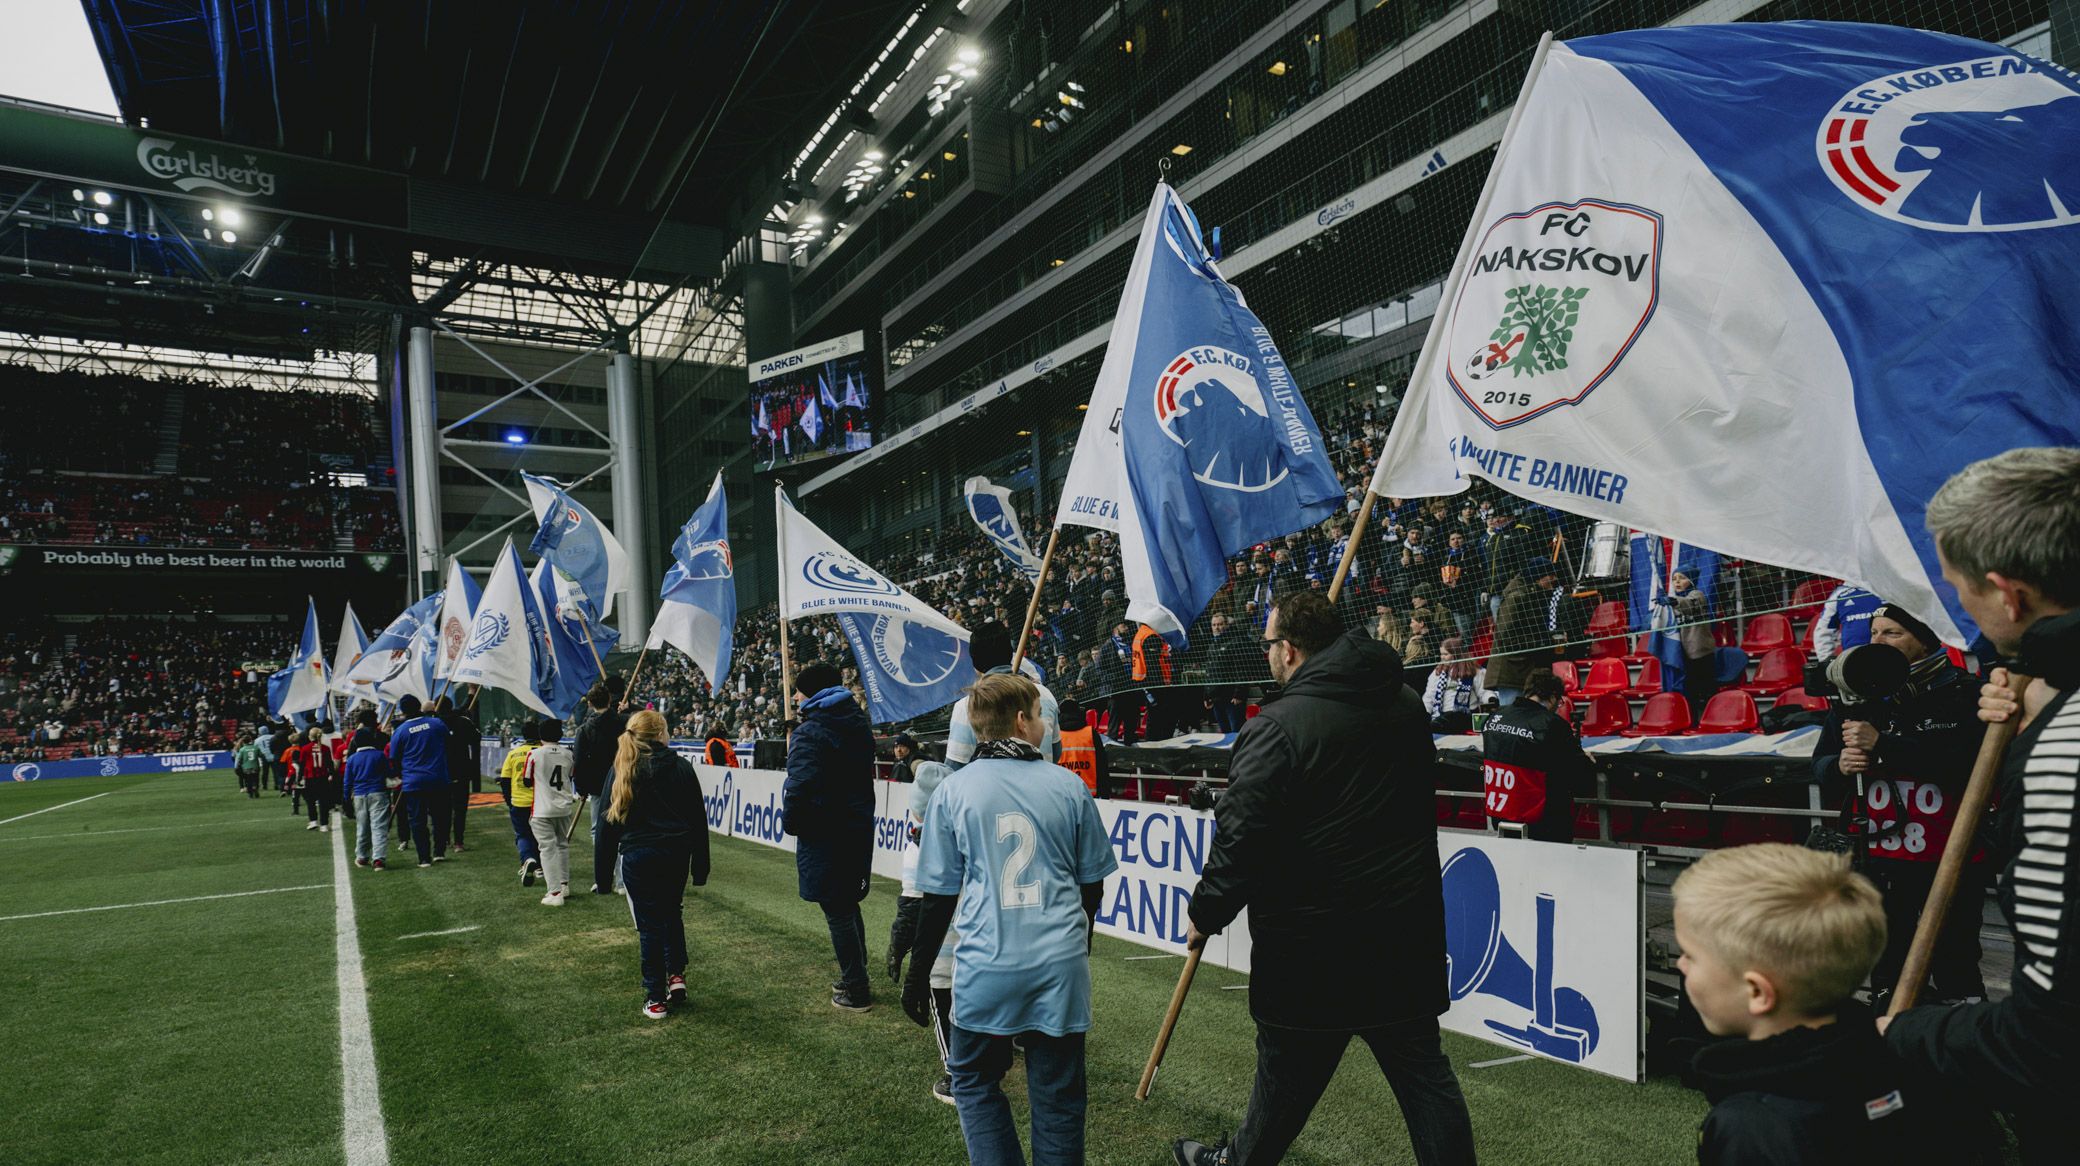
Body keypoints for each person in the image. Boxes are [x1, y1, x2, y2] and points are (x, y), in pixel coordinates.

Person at [1174, 591, 1474, 1166]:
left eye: (1268, 644)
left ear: (1288, 651)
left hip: (1312, 949)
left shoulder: (1278, 727)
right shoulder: (1407, 704)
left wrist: (1205, 912)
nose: (1266, 654)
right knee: (1425, 1080)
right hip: (1401, 935)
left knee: (1285, 1079)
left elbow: (1242, 840)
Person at [1884, 447, 2080, 1161]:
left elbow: (2055, 1040)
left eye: (1956, 588)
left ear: (2008, 595)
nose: (1956, 604)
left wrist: (1905, 1035)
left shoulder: (2067, 753)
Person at [902, 673, 1119, 1163]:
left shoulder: (953, 792)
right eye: (1040, 715)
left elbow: (936, 898)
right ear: (1022, 721)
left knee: (974, 1080)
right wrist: (1075, 949)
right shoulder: (1067, 785)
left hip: (986, 965)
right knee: (1059, 1098)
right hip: (1058, 966)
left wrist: (918, 974)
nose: (1044, 724)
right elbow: (1093, 885)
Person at [1675, 843, 1987, 1164]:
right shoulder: (1908, 1067)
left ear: (1757, 992)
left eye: (1690, 955)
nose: (1680, 965)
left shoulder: (1748, 1127)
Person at [1811, 604, 1985, 1006]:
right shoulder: (1854, 694)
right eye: (1874, 633)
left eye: (1893, 634)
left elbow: (1968, 766)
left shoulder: (1964, 692)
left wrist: (1885, 746)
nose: (1878, 642)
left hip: (1950, 855)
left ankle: (1964, 1052)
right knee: (1887, 959)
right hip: (1879, 856)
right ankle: (1891, 1046)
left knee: (1955, 956)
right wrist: (1837, 765)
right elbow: (1818, 767)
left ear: (1925, 641)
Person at [784, 661, 878, 1012]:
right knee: (846, 904)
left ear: (813, 692)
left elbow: (800, 786)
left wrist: (792, 822)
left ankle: (856, 986)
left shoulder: (812, 733)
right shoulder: (854, 722)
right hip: (854, 827)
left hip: (825, 831)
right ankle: (858, 975)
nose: (794, 696)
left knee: (836, 908)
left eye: (798, 690)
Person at [607, 709, 710, 1020]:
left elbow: (610, 821)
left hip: (640, 856)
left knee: (650, 925)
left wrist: (602, 872)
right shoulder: (679, 767)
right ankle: (675, 975)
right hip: (675, 853)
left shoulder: (625, 767)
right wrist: (700, 865)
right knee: (670, 913)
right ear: (661, 734)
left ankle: (655, 996)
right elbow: (697, 820)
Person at [887, 750, 957, 1104]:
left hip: (941, 951)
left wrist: (898, 950)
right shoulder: (967, 834)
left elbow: (910, 910)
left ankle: (955, 1077)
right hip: (980, 944)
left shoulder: (918, 849)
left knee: (943, 1005)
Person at [1478, 669, 1592, 843]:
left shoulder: (1495, 717)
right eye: (1559, 701)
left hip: (1500, 820)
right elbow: (1579, 776)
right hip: (1544, 827)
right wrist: (1586, 760)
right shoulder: (1552, 725)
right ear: (1553, 697)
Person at [948, 622, 1060, 769]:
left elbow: (955, 768)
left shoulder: (969, 705)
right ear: (1009, 652)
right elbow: (1056, 752)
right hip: (1046, 788)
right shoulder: (1044, 694)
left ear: (975, 663)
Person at [573, 680, 627, 895]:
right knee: (623, 829)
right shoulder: (623, 723)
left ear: (591, 704)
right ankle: (622, 881)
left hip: (597, 786)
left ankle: (604, 877)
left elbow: (579, 761)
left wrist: (581, 787)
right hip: (622, 781)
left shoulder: (585, 729)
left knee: (599, 832)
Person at [387, 694, 452, 869]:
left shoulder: (399, 732)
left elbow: (394, 758)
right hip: (438, 778)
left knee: (417, 820)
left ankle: (424, 858)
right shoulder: (436, 724)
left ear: (402, 711)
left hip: (413, 782)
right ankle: (439, 851)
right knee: (440, 817)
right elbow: (448, 743)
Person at [1487, 559, 1562, 706]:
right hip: (1512, 671)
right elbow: (1506, 637)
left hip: (1525, 669)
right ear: (1539, 576)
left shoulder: (1535, 595)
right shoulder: (1517, 597)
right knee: (1512, 720)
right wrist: (1541, 643)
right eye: (1550, 575)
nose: (1554, 579)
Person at [526, 718, 579, 907]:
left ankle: (554, 892)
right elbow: (572, 775)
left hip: (542, 809)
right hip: (563, 807)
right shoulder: (568, 754)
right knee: (562, 845)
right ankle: (564, 885)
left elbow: (526, 780)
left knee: (547, 849)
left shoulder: (534, 754)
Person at [1666, 566, 1719, 718]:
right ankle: (1693, 720)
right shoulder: (1674, 603)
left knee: (1706, 689)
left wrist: (1672, 601)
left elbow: (1689, 604)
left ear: (1691, 580)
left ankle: (1712, 718)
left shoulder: (1697, 595)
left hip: (1701, 653)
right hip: (1684, 654)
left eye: (1681, 578)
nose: (1677, 582)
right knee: (1690, 692)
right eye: (1674, 579)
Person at [499, 719, 544, 885]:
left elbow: (505, 781)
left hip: (519, 802)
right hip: (540, 801)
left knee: (523, 834)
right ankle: (539, 866)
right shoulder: (543, 751)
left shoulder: (513, 753)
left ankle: (528, 859)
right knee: (542, 835)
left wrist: (509, 802)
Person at [343, 724, 392, 870]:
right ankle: (378, 858)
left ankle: (362, 856)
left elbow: (347, 781)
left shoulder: (352, 759)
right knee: (379, 826)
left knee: (363, 827)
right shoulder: (380, 755)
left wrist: (346, 798)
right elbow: (389, 772)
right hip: (378, 792)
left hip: (359, 794)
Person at [436, 694, 480, 852]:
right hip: (462, 769)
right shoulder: (462, 721)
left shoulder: (435, 723)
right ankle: (458, 842)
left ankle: (445, 838)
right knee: (460, 808)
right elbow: (476, 738)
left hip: (441, 771)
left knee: (443, 807)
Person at [1421, 637, 1485, 730]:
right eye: (1441, 654)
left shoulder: (1474, 671)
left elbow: (1483, 692)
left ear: (1457, 654)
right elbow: (1429, 696)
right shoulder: (1438, 673)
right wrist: (1425, 713)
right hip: (1443, 715)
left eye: (1446, 654)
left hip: (1467, 715)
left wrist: (1490, 699)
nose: (1442, 657)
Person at [1056, 697, 1109, 796]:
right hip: (1089, 794)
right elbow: (1102, 765)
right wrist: (1105, 793)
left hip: (1063, 794)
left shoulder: (1055, 736)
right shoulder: (1091, 733)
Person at [301, 726, 340, 833]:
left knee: (311, 801)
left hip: (310, 778)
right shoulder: (325, 748)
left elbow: (302, 764)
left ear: (310, 736)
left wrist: (299, 777)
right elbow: (329, 763)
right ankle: (324, 824)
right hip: (323, 778)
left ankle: (313, 821)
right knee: (324, 802)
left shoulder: (305, 748)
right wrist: (332, 774)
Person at [233, 731, 264, 798]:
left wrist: (238, 766)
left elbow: (239, 759)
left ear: (243, 742)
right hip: (255, 766)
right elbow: (261, 755)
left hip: (246, 768)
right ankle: (256, 788)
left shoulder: (242, 749)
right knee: (256, 779)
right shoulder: (256, 748)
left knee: (248, 780)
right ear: (250, 740)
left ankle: (250, 794)